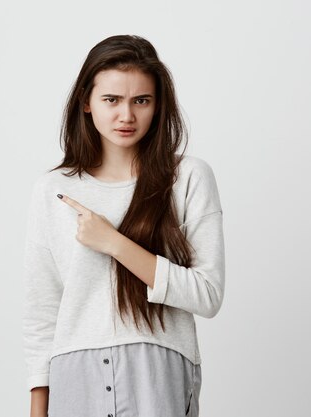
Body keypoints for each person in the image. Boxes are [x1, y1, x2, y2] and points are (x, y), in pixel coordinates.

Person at [22, 34, 225, 417]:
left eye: (141, 100)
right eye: (111, 100)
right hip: (73, 372)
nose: (126, 116)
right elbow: (42, 308)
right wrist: (38, 408)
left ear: (158, 105)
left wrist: (114, 243)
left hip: (158, 367)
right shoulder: (53, 189)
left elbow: (208, 294)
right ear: (86, 101)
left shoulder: (188, 177)